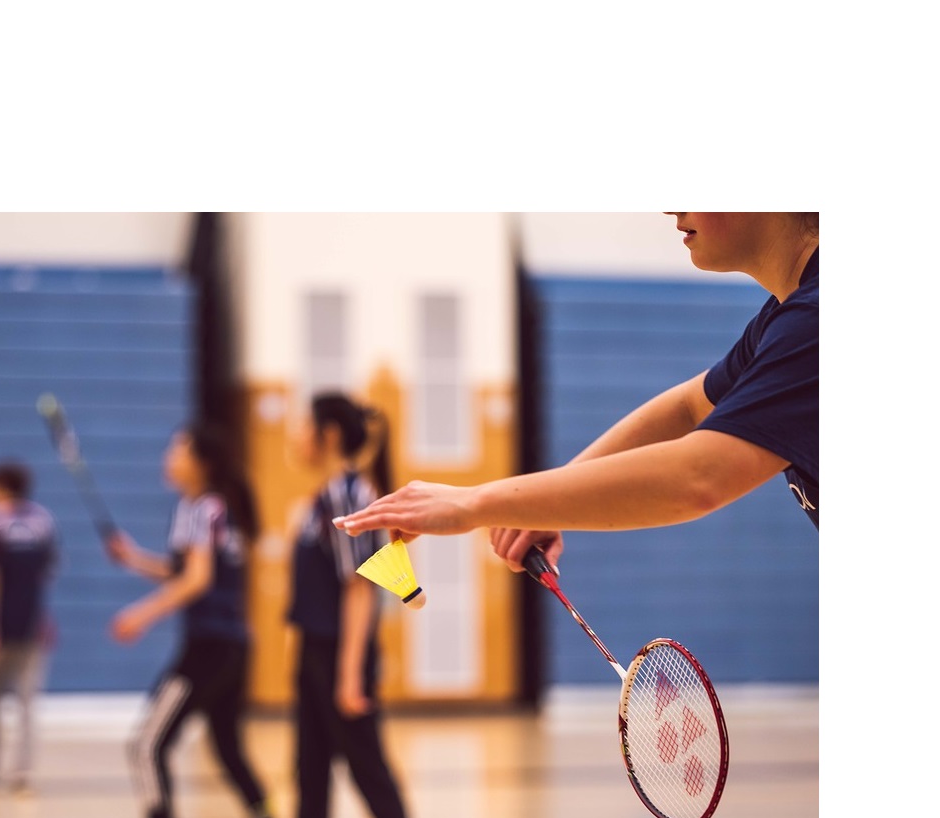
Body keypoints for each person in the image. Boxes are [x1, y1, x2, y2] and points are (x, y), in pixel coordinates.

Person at [334, 212, 819, 569]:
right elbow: (690, 406)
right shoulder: (783, 318)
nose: (671, 207)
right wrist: (540, 504)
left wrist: (472, 503)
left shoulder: (816, 319)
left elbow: (700, 475)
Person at [109, 423, 282, 818]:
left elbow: (196, 580)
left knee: (146, 745)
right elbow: (185, 570)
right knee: (228, 749)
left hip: (207, 650)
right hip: (235, 647)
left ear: (200, 463)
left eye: (177, 450)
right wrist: (133, 559)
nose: (168, 458)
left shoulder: (200, 509)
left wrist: (141, 614)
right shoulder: (219, 508)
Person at [285, 393, 416, 818]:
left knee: (370, 774)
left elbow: (360, 588)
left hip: (339, 656)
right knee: (310, 772)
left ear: (330, 434)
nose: (296, 435)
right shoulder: (325, 495)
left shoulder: (349, 494)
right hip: (315, 652)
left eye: (305, 425)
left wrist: (348, 676)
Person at [0, 461, 58, 793]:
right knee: (26, 704)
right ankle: (22, 773)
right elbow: (45, 578)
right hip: (32, 625)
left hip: (2, 627)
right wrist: (45, 618)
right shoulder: (44, 521)